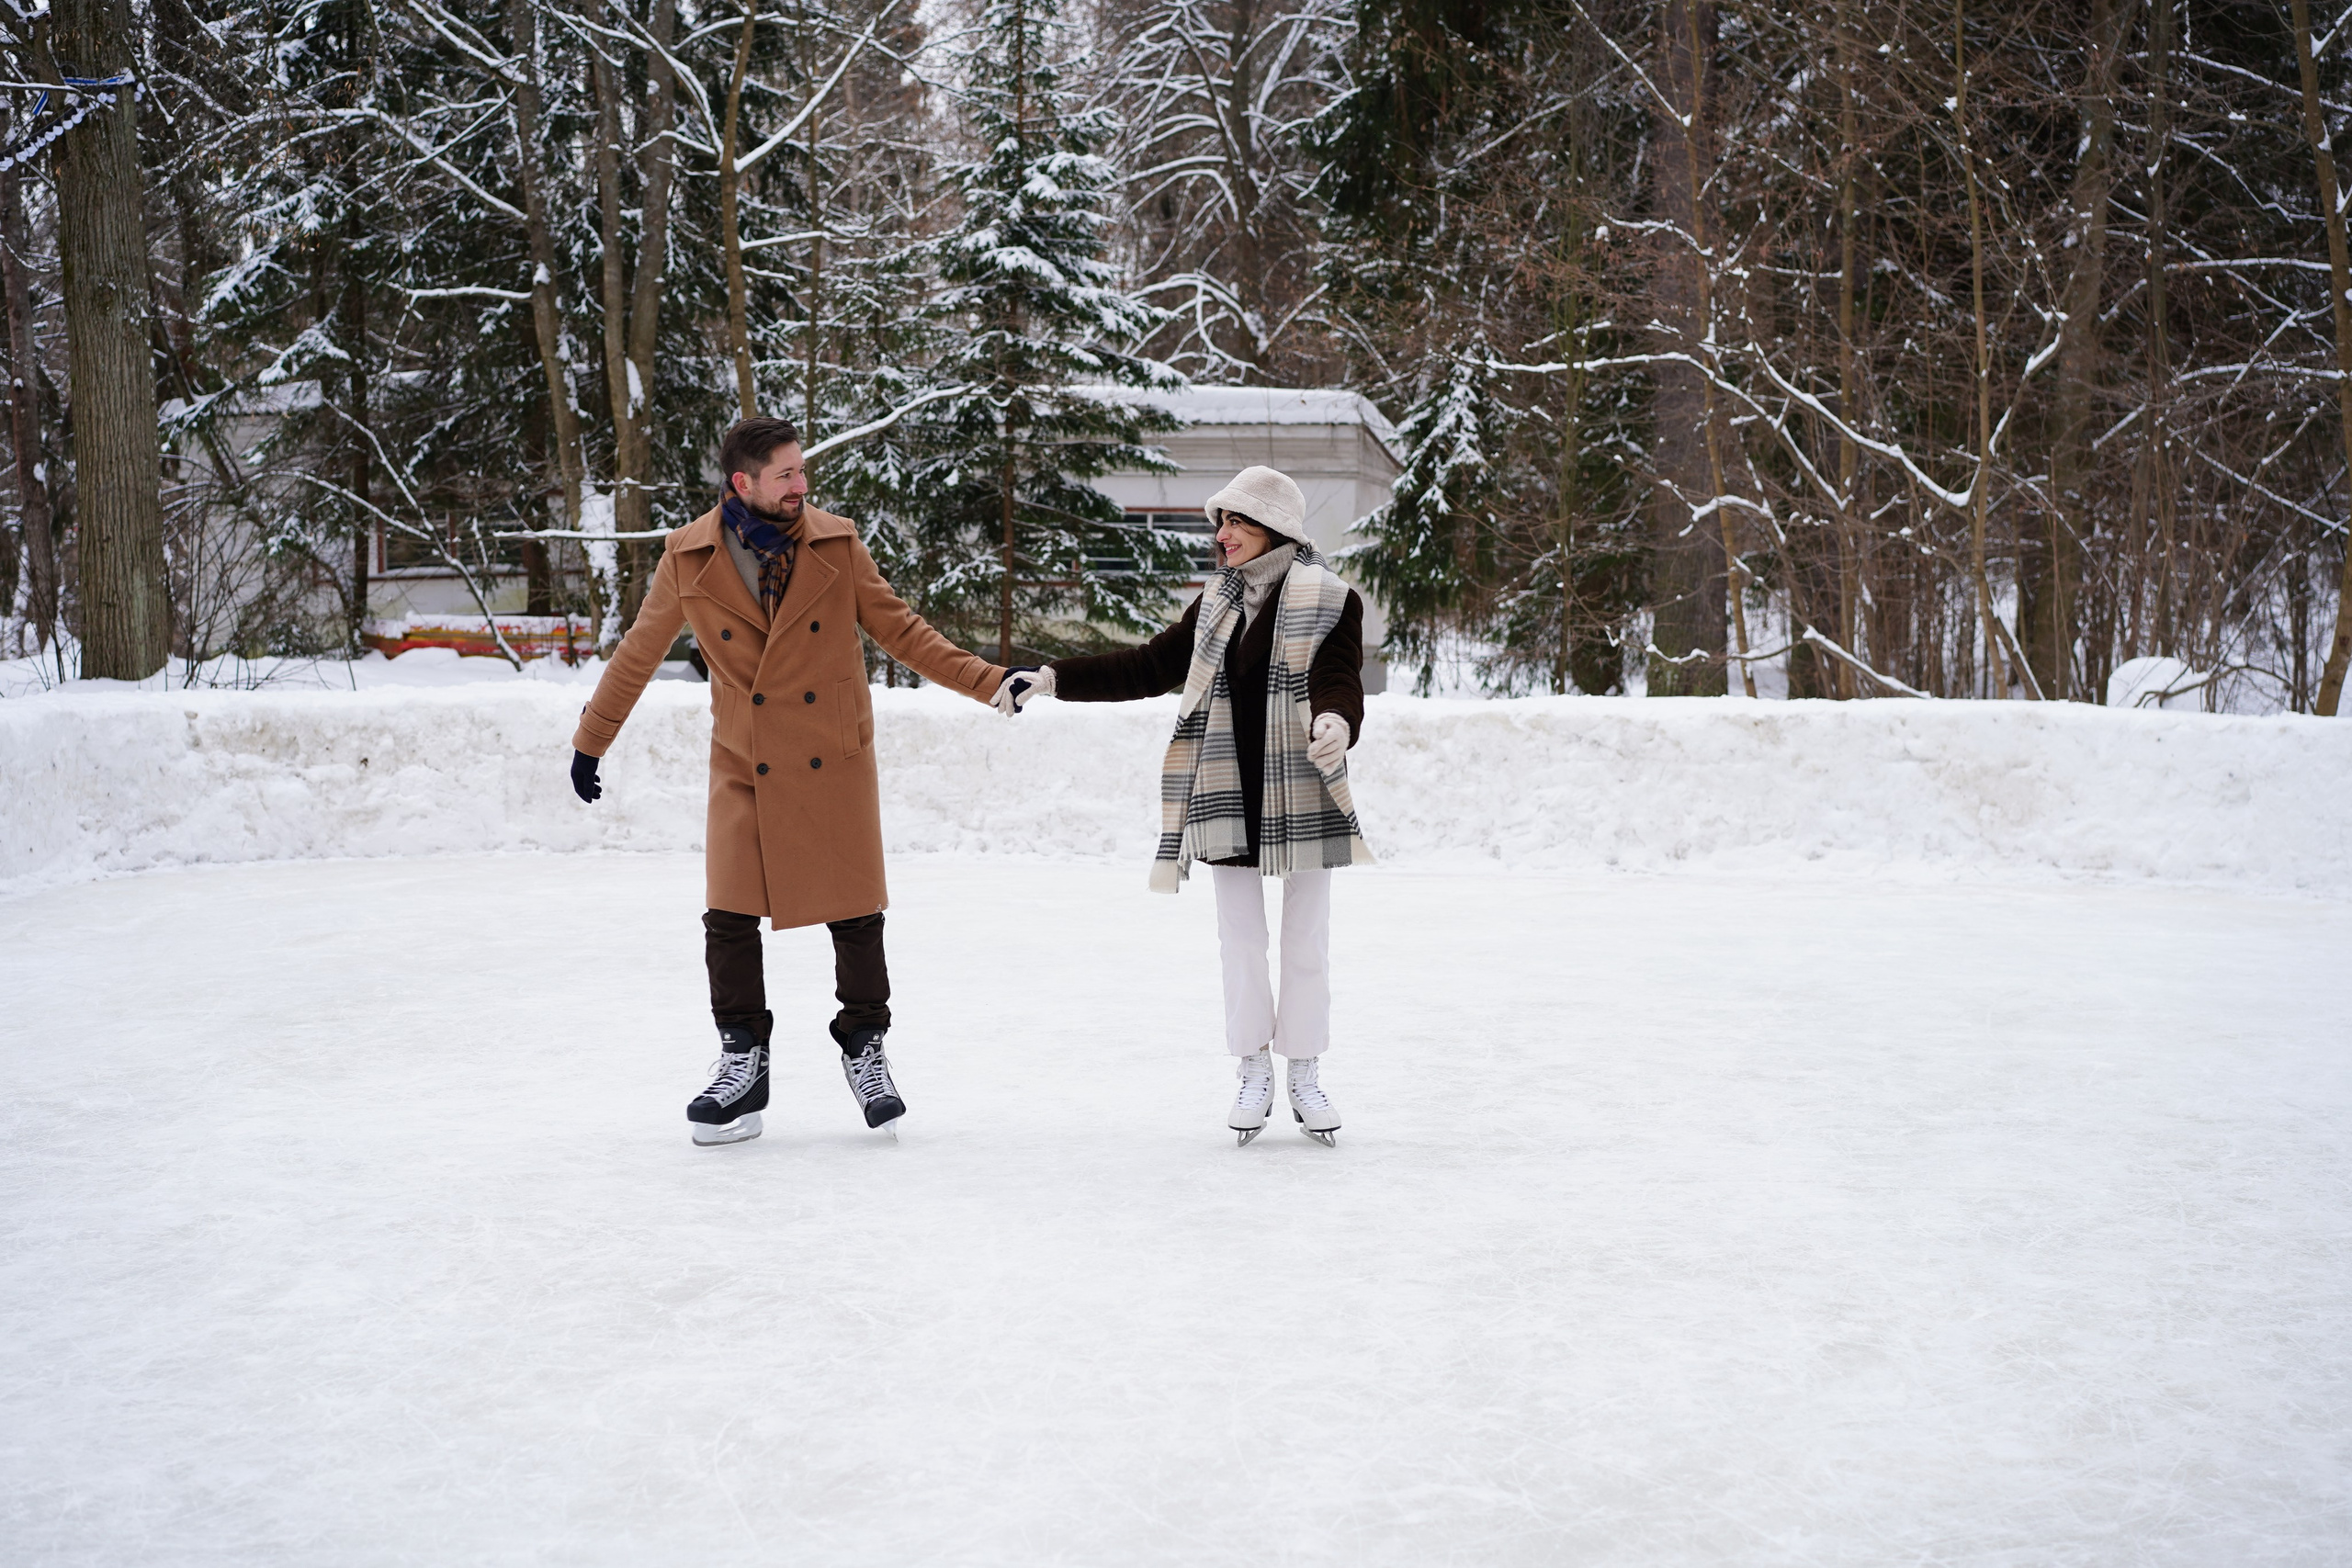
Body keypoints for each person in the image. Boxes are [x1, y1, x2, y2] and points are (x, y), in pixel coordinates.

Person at [570, 417, 1007, 1146]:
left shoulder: (835, 543)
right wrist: (591, 741)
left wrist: (990, 683)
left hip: (831, 754)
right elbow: (638, 654)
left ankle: (865, 1046)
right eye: (786, 476)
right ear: (743, 483)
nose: (802, 486)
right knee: (729, 915)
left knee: (856, 913)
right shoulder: (688, 556)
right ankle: (744, 1057)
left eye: (802, 472)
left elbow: (904, 631)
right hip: (745, 760)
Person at [994, 465, 1373, 1146]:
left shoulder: (1331, 598)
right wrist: (1053, 677)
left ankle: (1306, 1069)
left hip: (1302, 784)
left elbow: (1338, 678)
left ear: (1273, 529)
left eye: (1235, 522)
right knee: (1240, 940)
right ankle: (1253, 1065)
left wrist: (1338, 723)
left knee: (1306, 939)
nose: (1221, 535)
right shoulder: (1215, 604)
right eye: (1219, 523)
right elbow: (1148, 664)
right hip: (1227, 786)